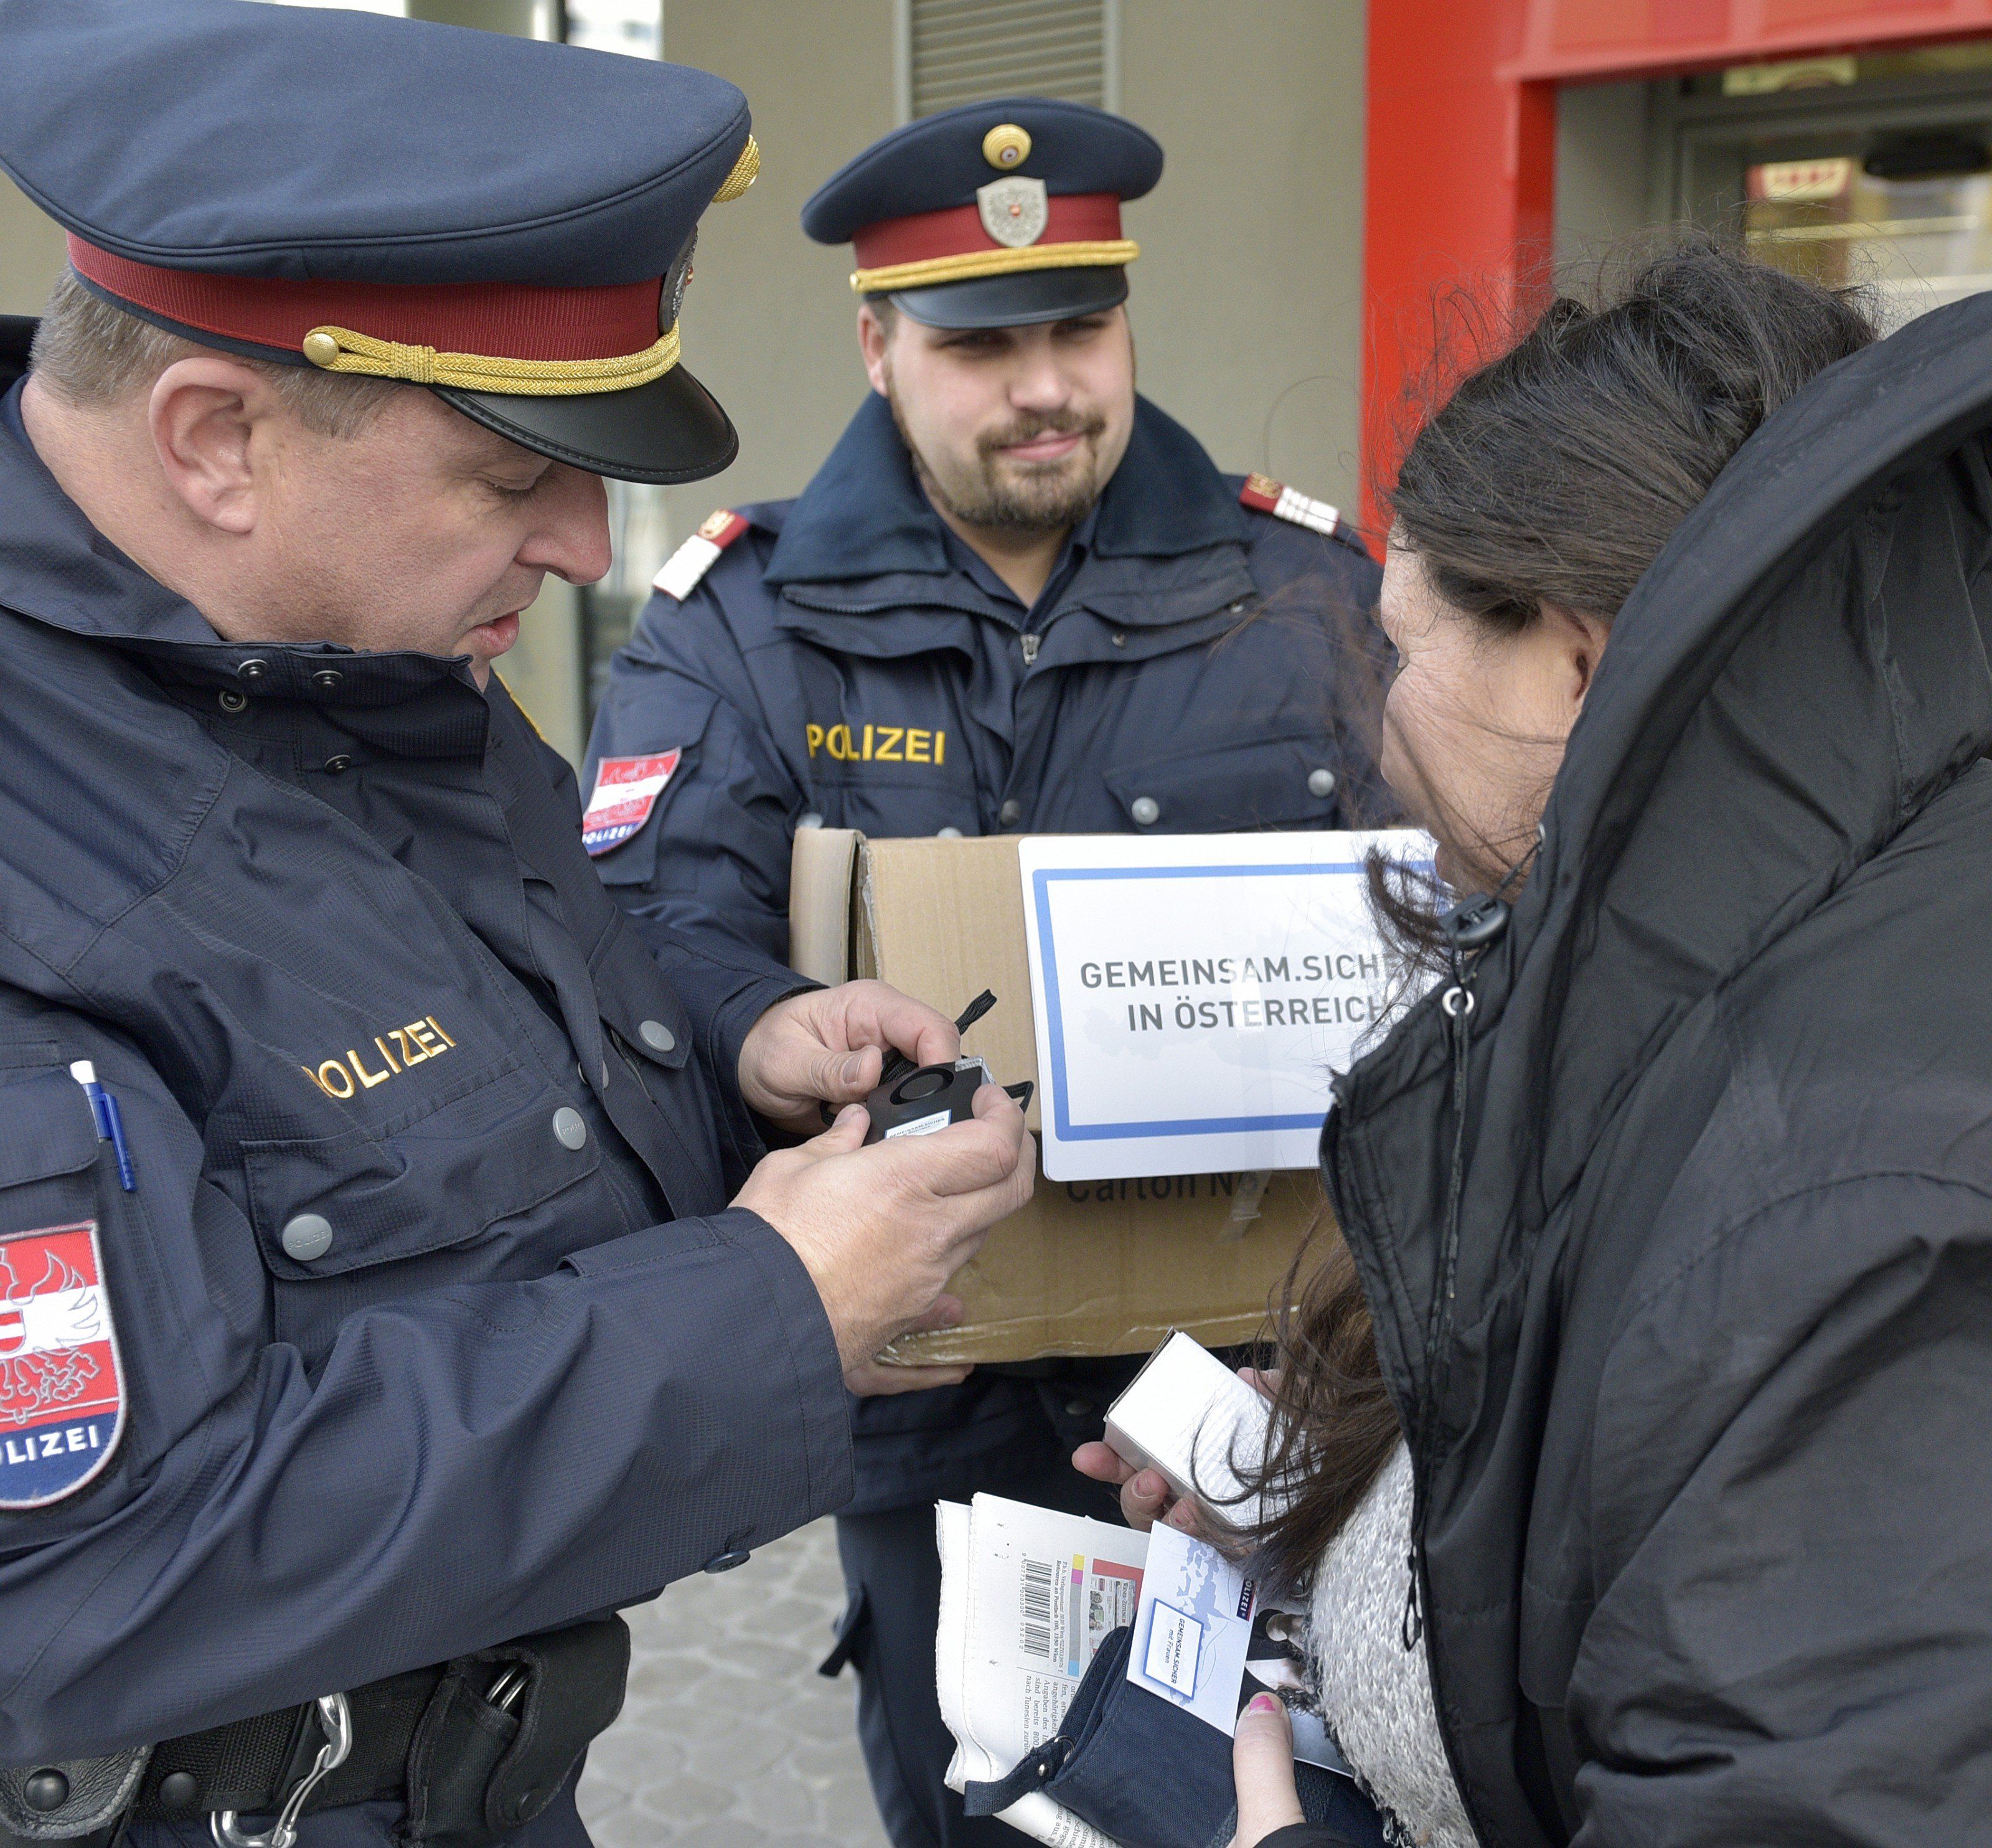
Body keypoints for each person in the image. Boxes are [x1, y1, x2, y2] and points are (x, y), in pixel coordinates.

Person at [0, 6, 1034, 1847]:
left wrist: (747, 1081)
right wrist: (769, 1312)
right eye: (515, 471)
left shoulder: (370, 665)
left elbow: (473, 1130)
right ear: (215, 439)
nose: (584, 540)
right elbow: (98, 1573)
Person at [1086, 237, 1992, 1844]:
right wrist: (1346, 1490)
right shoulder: (1760, 972)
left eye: (1405, 645)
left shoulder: (1851, 1198)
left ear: (1576, 662)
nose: (1380, 728)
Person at [583, 95, 1382, 1848]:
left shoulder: (1308, 593)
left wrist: (1366, 1349)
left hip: (1263, 1392)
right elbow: (638, 930)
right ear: (878, 347)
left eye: (1079, 328)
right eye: (981, 343)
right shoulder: (743, 620)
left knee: (1282, 1806)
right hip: (929, 1401)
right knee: (976, 1814)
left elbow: (1455, 955)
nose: (1045, 384)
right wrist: (762, 1016)